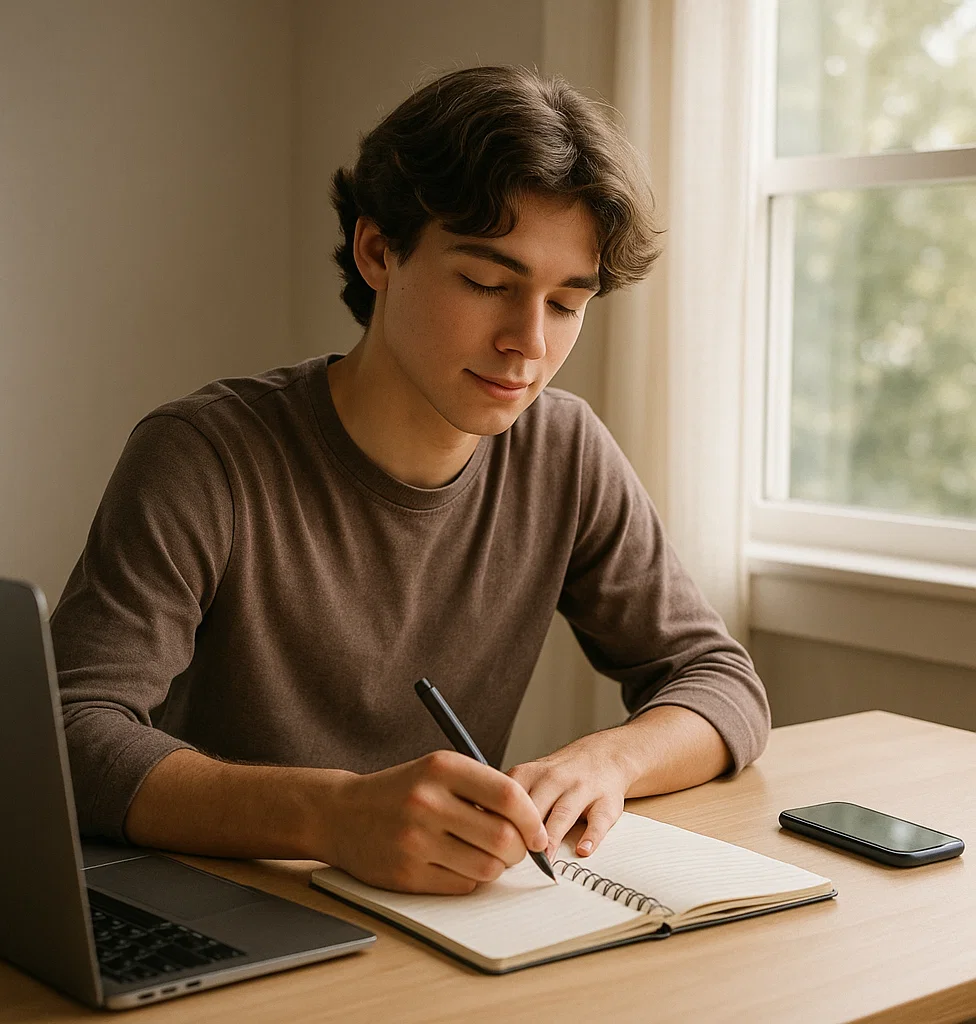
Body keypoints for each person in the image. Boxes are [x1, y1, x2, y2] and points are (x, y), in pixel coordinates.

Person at [51, 64, 769, 896]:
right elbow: (70, 735)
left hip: (438, 918)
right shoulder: (203, 456)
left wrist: (608, 759)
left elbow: (721, 681)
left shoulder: (564, 450)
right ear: (378, 251)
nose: (528, 342)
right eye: (488, 283)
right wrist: (331, 814)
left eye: (567, 303)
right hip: (220, 904)